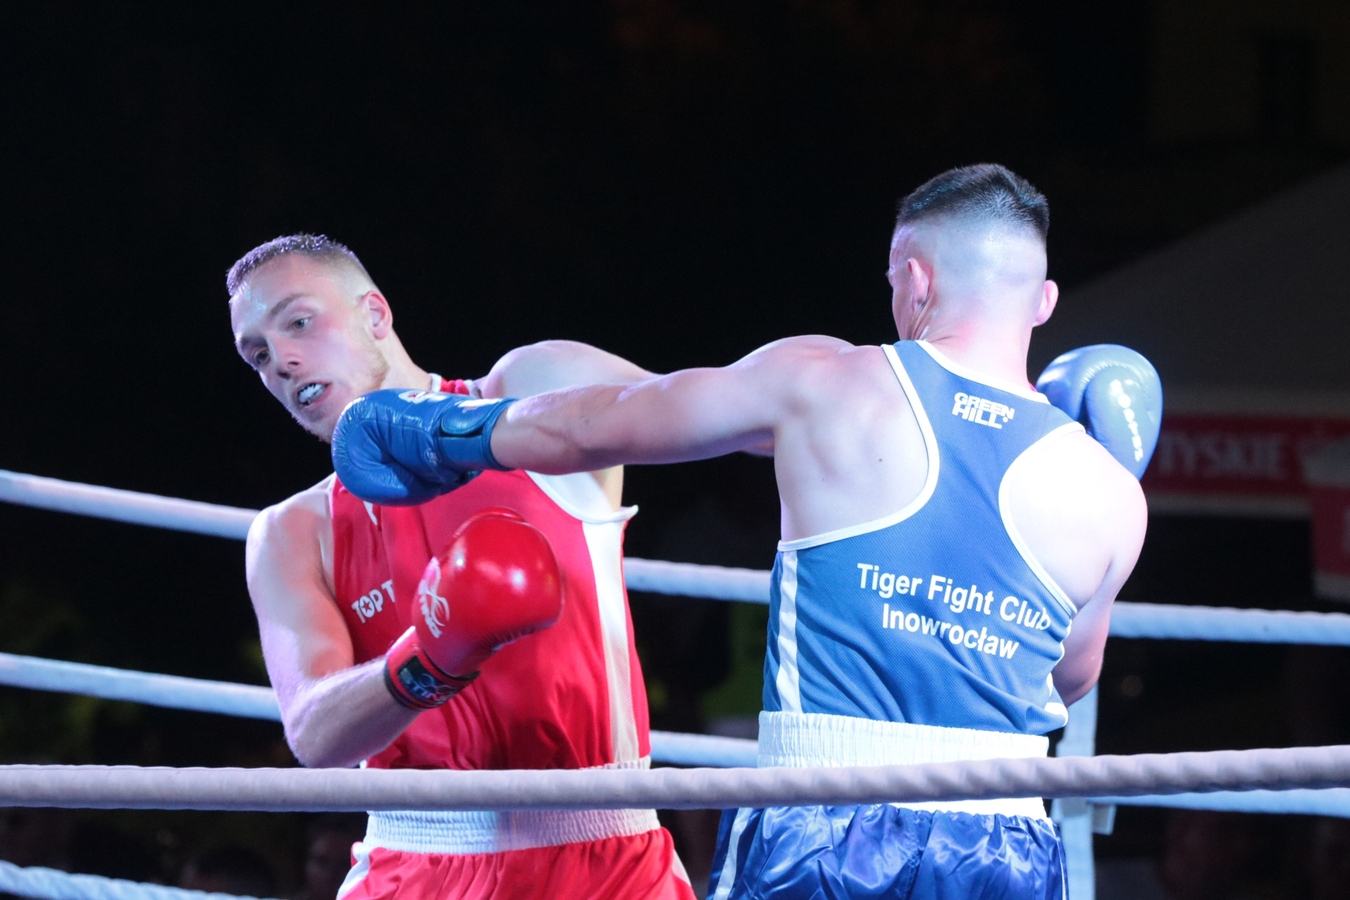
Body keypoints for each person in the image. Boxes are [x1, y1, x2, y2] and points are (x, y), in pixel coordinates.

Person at [332, 164, 1157, 898]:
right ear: (1044, 301)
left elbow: (606, 420)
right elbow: (1069, 678)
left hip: (830, 822)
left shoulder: (825, 382)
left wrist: (447, 432)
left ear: (914, 280)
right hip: (1007, 840)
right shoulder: (1113, 493)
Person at [227, 234, 695, 900]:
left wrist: (840, 385)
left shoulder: (534, 390)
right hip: (414, 862)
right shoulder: (293, 531)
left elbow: (732, 411)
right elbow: (313, 733)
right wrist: (430, 658)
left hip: (605, 852)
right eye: (258, 354)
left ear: (374, 314)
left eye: (298, 322)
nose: (282, 360)